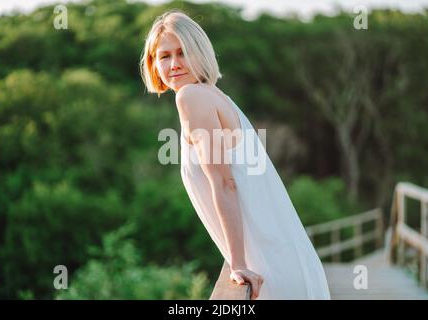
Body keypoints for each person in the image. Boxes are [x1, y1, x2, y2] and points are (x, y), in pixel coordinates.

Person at [140, 9, 331, 300]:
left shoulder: (191, 97)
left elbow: (224, 183)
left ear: (200, 54)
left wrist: (239, 264)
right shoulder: (217, 95)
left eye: (183, 53)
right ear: (154, 64)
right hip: (286, 260)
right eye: (164, 56)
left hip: (270, 270)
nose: (174, 64)